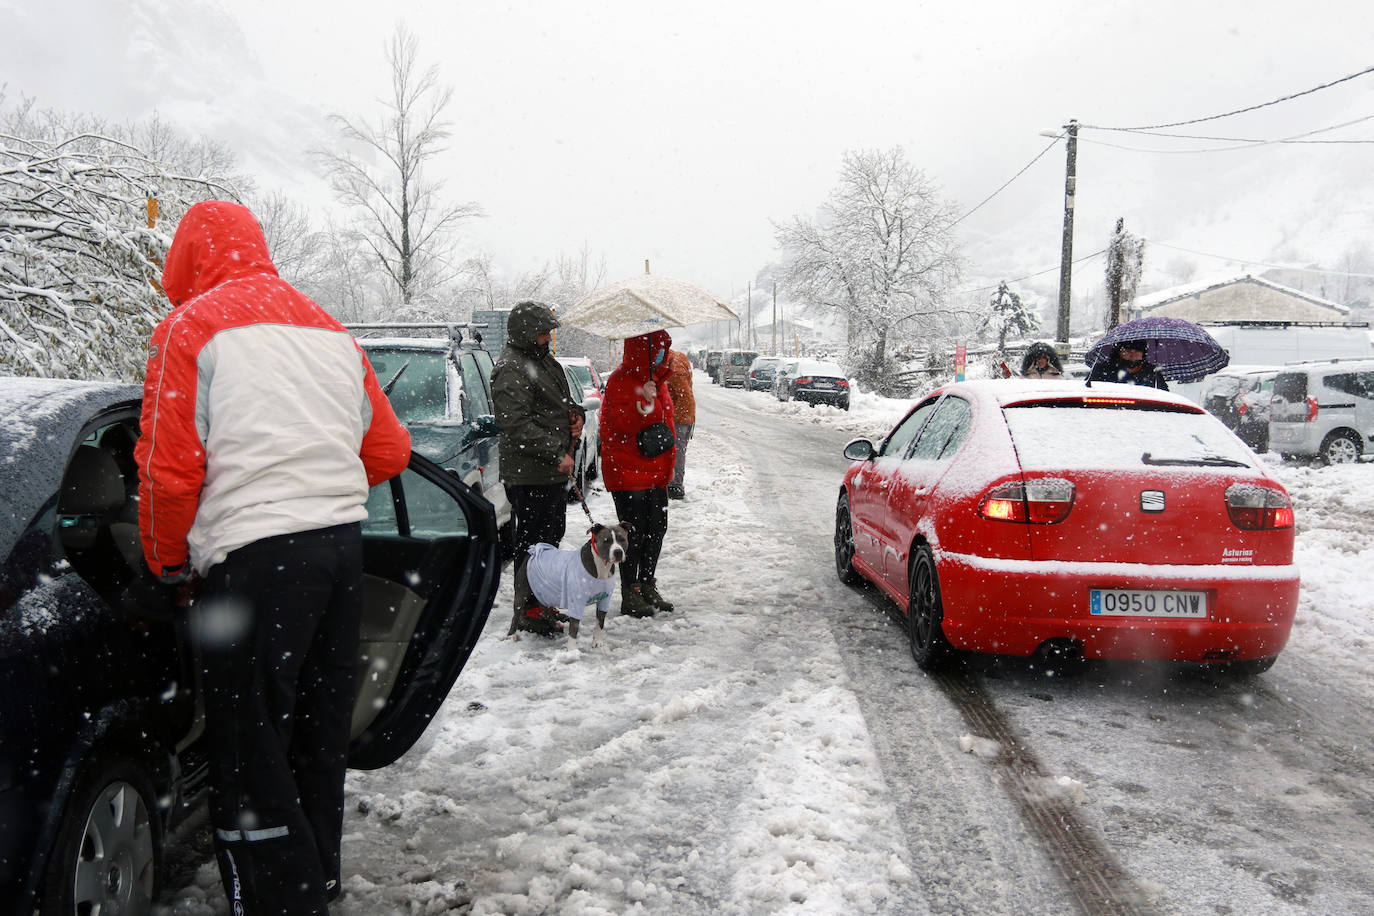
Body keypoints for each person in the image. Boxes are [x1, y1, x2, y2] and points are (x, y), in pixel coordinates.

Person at [131, 200, 412, 914]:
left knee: (248, 746)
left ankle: (275, 901)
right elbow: (389, 451)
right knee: (317, 735)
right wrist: (315, 484)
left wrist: (167, 566)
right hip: (340, 555)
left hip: (253, 562)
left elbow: (167, 472)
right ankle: (317, 879)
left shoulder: (189, 328)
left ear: (187, 260)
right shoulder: (329, 330)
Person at [491, 300, 585, 633]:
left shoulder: (545, 363)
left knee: (549, 540)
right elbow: (514, 423)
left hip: (549, 473)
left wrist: (577, 418)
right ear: (526, 333)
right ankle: (528, 610)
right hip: (528, 474)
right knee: (532, 544)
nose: (548, 337)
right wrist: (555, 453)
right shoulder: (512, 367)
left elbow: (564, 403)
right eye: (543, 332)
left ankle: (542, 602)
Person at [600, 330, 676, 617]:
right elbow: (619, 424)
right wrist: (643, 405)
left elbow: (664, 423)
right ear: (642, 350)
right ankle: (630, 591)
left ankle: (646, 584)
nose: (661, 355)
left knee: (657, 529)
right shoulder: (621, 380)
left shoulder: (658, 380)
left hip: (655, 470)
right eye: (656, 350)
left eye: (663, 350)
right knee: (634, 534)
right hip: (628, 470)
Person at [663, 347, 695, 500]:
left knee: (677, 450)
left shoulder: (674, 368)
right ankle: (673, 483)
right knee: (676, 449)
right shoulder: (676, 358)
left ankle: (675, 486)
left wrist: (670, 416)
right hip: (683, 416)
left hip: (680, 418)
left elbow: (685, 396)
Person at [1087, 339, 1169, 389]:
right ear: (1119, 352)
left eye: (1137, 351)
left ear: (1143, 354)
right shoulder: (1102, 370)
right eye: (1128, 351)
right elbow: (1087, 391)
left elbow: (1165, 397)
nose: (1132, 355)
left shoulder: (1153, 372)